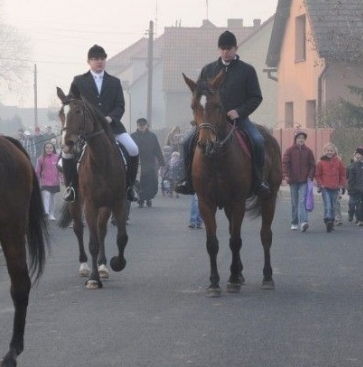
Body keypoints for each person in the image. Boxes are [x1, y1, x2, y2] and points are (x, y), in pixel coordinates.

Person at [175, 30, 270, 197]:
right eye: (222, 48)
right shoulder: (208, 69)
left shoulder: (247, 71)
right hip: (210, 122)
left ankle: (258, 181)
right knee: (187, 141)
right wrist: (199, 117)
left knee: (258, 140)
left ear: (236, 48)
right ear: (219, 49)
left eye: (229, 48)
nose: (225, 52)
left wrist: (239, 111)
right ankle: (186, 180)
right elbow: (198, 96)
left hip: (237, 120)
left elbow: (256, 97)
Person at [61, 44, 140, 203]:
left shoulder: (115, 82)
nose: (99, 61)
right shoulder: (79, 81)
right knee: (66, 153)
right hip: (86, 130)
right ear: (89, 61)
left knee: (133, 148)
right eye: (96, 59)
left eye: (102, 58)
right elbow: (71, 102)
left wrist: (111, 118)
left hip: (112, 128)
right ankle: (71, 188)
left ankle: (130, 186)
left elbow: (120, 105)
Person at [282, 130, 316, 231]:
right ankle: (294, 222)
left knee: (302, 201)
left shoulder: (308, 151)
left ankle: (304, 222)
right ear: (295, 139)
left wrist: (310, 176)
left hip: (304, 180)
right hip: (293, 180)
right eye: (299, 138)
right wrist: (286, 175)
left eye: (302, 138)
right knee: (294, 202)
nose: (301, 140)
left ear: (304, 140)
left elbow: (312, 165)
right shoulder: (289, 150)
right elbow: (285, 163)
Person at [131, 118, 164, 208]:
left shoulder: (152, 136)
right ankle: (141, 199)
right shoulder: (132, 136)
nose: (142, 126)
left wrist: (161, 162)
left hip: (149, 163)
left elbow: (157, 149)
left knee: (150, 182)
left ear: (146, 125)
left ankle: (148, 198)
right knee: (138, 182)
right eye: (140, 125)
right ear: (137, 126)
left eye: (143, 125)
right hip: (137, 163)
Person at [314, 142, 346, 233]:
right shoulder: (320, 162)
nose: (329, 152)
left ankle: (331, 221)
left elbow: (343, 174)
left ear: (334, 152)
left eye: (331, 151)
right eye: (328, 150)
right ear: (324, 151)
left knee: (333, 205)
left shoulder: (339, 162)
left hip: (335, 187)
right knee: (327, 204)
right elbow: (317, 175)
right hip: (325, 188)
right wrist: (321, 184)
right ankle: (327, 219)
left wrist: (341, 185)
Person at [35, 142, 62, 220]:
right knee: (47, 195)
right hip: (45, 181)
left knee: (52, 198)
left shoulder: (57, 157)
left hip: (55, 182)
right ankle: (46, 212)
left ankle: (51, 214)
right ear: (44, 149)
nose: (49, 149)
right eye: (47, 147)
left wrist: (62, 179)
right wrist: (36, 180)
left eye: (50, 147)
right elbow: (37, 171)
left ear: (53, 149)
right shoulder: (40, 159)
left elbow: (60, 170)